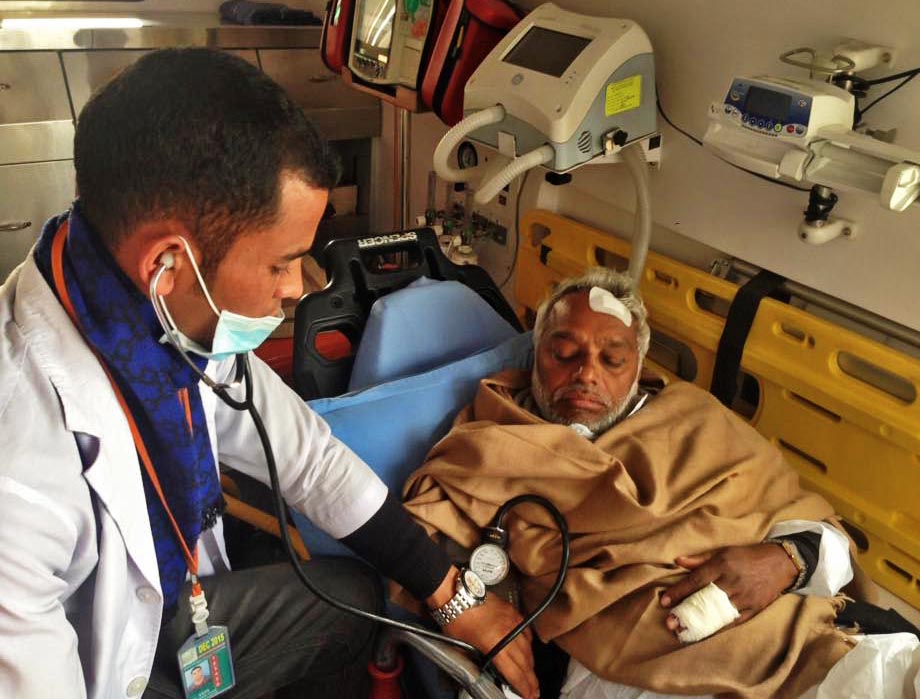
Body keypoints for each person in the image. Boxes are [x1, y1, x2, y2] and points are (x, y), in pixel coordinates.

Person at [0, 48, 537, 699]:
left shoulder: (147, 305)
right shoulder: (21, 451)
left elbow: (309, 457)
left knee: (352, 601)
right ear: (168, 260)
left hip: (176, 613)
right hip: (97, 675)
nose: (297, 290)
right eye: (282, 262)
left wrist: (455, 594)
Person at [401, 267, 920, 698]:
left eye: (612, 359)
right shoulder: (491, 437)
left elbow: (824, 534)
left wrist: (787, 558)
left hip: (802, 637)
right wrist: (464, 605)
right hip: (621, 667)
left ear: (638, 367)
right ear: (536, 351)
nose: (587, 374)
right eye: (565, 353)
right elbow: (417, 534)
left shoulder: (695, 419)